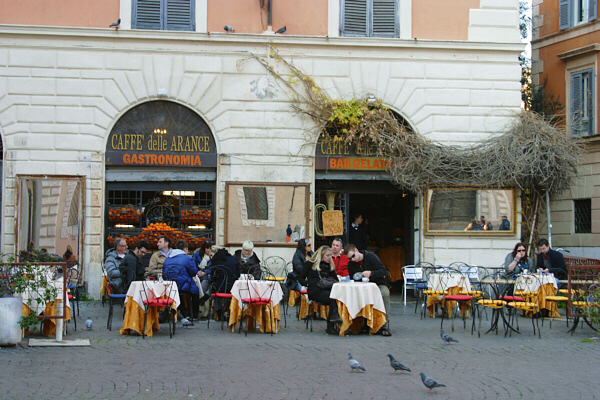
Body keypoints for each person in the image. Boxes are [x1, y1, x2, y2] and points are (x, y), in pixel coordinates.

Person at [343, 243, 392, 336]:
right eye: (349, 258)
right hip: (362, 288)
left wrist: (371, 273)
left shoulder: (371, 257)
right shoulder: (351, 264)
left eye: (353, 256)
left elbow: (383, 271)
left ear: (356, 250)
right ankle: (363, 323)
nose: (352, 259)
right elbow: (353, 279)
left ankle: (384, 324)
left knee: (384, 293)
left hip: (378, 285)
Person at [298, 245, 342, 335]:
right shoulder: (310, 264)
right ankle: (331, 325)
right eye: (328, 256)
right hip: (315, 291)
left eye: (331, 256)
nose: (330, 258)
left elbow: (336, 280)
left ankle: (337, 321)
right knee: (333, 298)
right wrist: (308, 284)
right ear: (321, 255)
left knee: (338, 297)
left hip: (326, 289)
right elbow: (301, 278)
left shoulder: (329, 265)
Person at [163, 240, 203, 319]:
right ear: (185, 249)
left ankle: (183, 311)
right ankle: (194, 314)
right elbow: (193, 272)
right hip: (184, 284)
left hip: (171, 286)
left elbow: (164, 274)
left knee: (179, 291)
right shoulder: (187, 258)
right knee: (195, 292)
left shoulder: (167, 259)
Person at [207, 246, 240, 319]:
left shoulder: (215, 261)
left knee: (214, 289)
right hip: (232, 288)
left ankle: (219, 313)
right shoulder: (233, 259)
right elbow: (238, 274)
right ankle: (231, 312)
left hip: (220, 288)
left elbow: (213, 276)